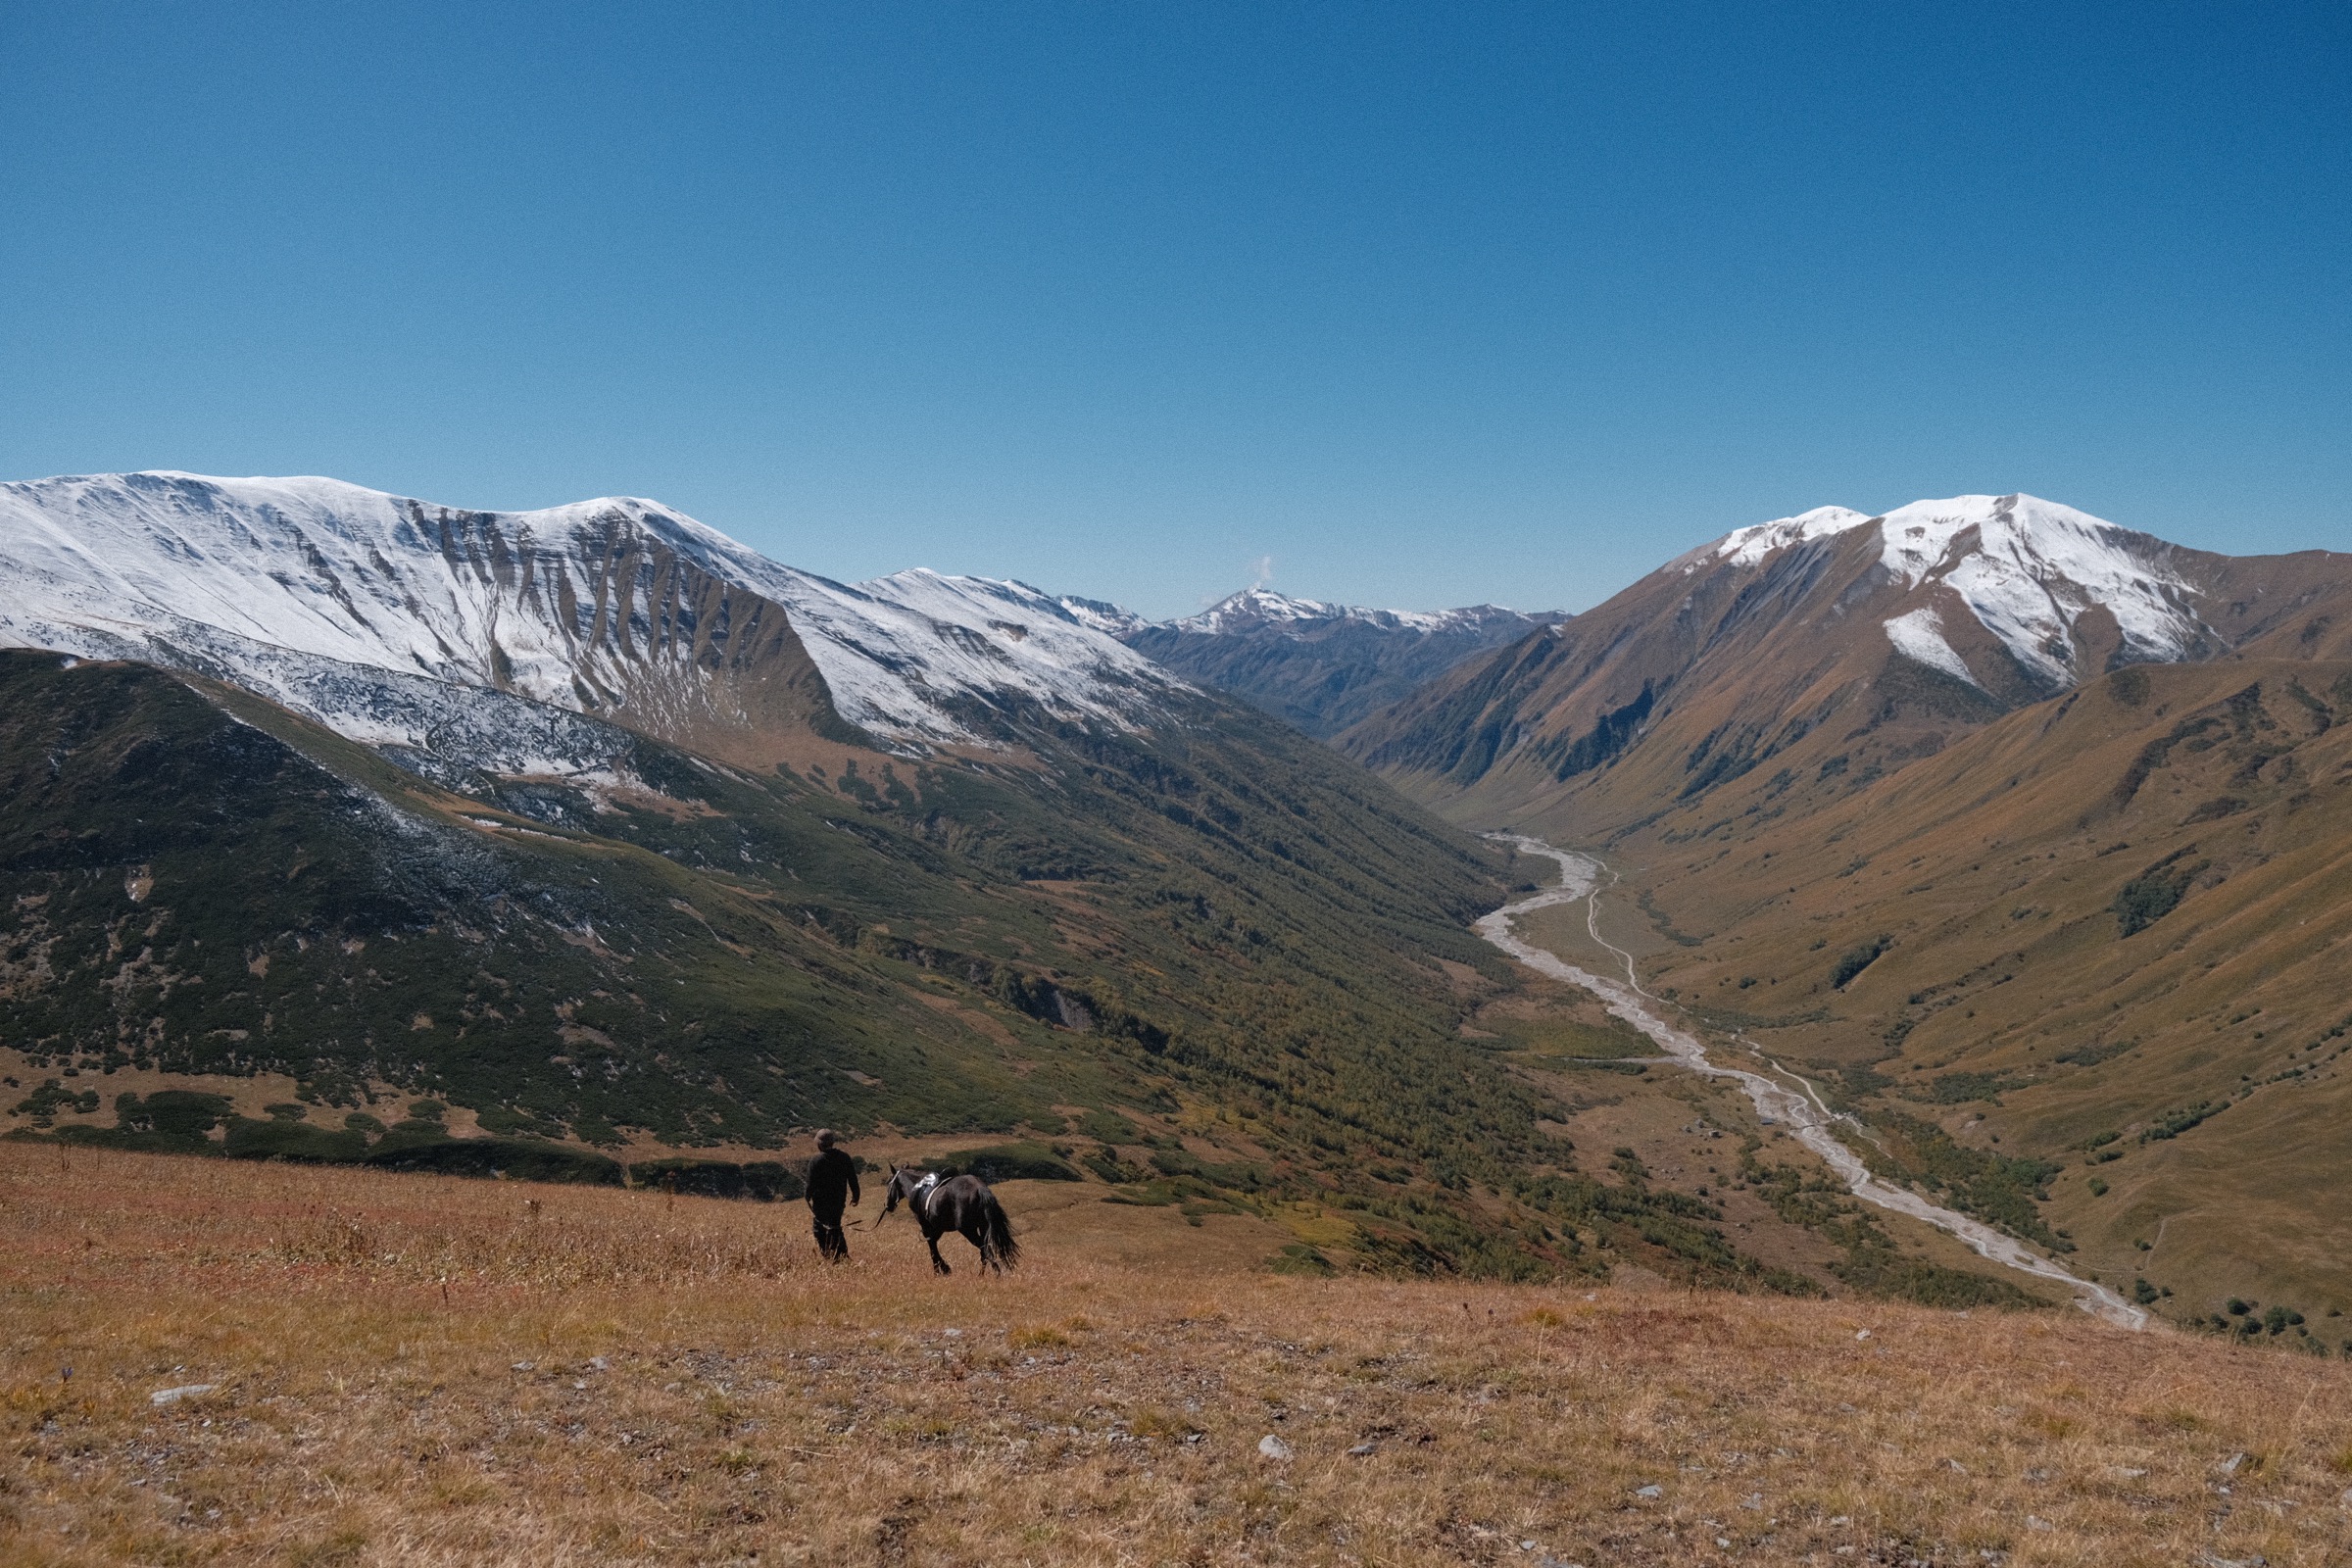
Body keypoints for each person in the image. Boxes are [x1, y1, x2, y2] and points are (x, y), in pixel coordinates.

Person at [806, 1129, 860, 1262]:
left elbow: (810, 1183)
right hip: (838, 1202)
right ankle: (840, 1256)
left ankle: (831, 1256)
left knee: (819, 1229)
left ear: (819, 1144)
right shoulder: (844, 1157)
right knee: (835, 1226)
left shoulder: (816, 1161)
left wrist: (807, 1196)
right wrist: (856, 1195)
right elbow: (853, 1179)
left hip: (821, 1203)